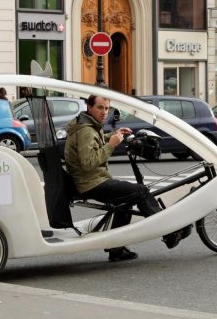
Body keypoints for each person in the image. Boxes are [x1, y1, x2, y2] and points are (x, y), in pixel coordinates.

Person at [64, 95, 191, 262]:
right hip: (91, 183)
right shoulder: (86, 130)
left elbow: (95, 143)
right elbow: (88, 163)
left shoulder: (87, 124)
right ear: (89, 107)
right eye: (100, 108)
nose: (104, 112)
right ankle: (170, 233)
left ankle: (116, 249)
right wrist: (111, 145)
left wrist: (113, 136)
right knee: (140, 192)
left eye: (107, 108)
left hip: (89, 180)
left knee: (126, 198)